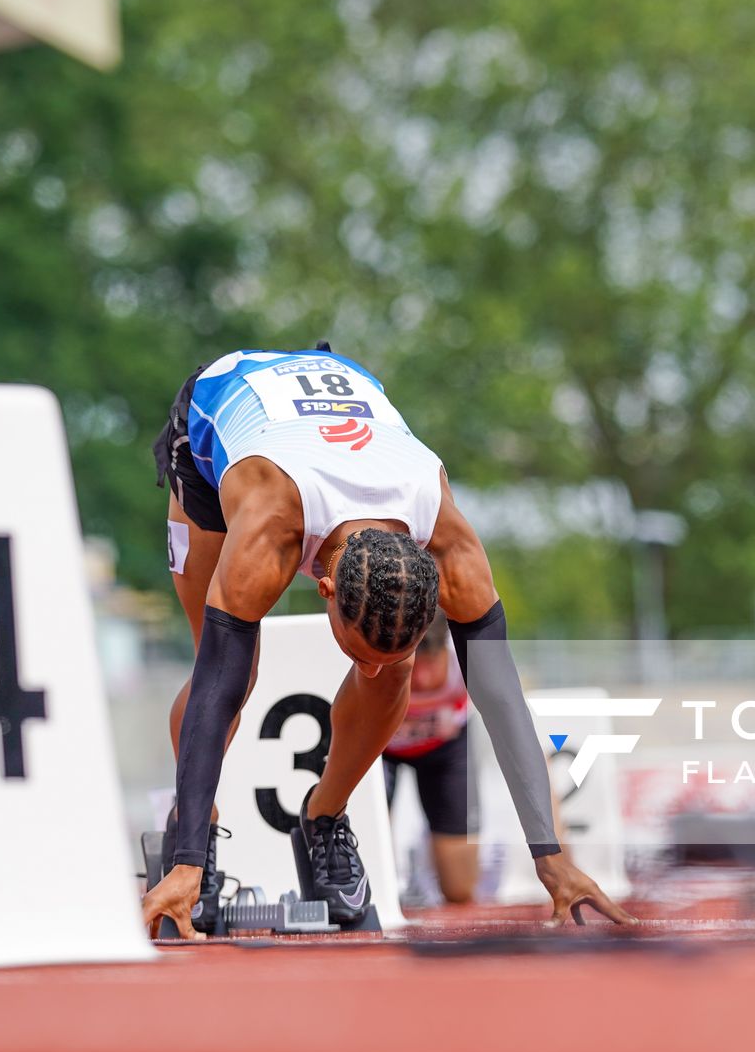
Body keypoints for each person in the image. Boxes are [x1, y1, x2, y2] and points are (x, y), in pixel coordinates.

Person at [140, 346, 634, 938]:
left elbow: (502, 702)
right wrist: (189, 861)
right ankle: (192, 838)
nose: (366, 675)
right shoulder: (268, 526)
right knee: (229, 672)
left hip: (337, 400)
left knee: (395, 673)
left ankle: (323, 818)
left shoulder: (448, 544)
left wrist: (553, 860)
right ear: (322, 587)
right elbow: (214, 690)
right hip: (220, 410)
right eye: (358, 655)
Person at [382, 617, 479, 904]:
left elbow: (522, 740)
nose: (422, 679)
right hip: (379, 750)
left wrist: (557, 858)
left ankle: (427, 854)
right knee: (371, 872)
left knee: (460, 888)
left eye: (431, 659)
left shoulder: (468, 654)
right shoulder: (373, 648)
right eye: (413, 662)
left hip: (446, 750)